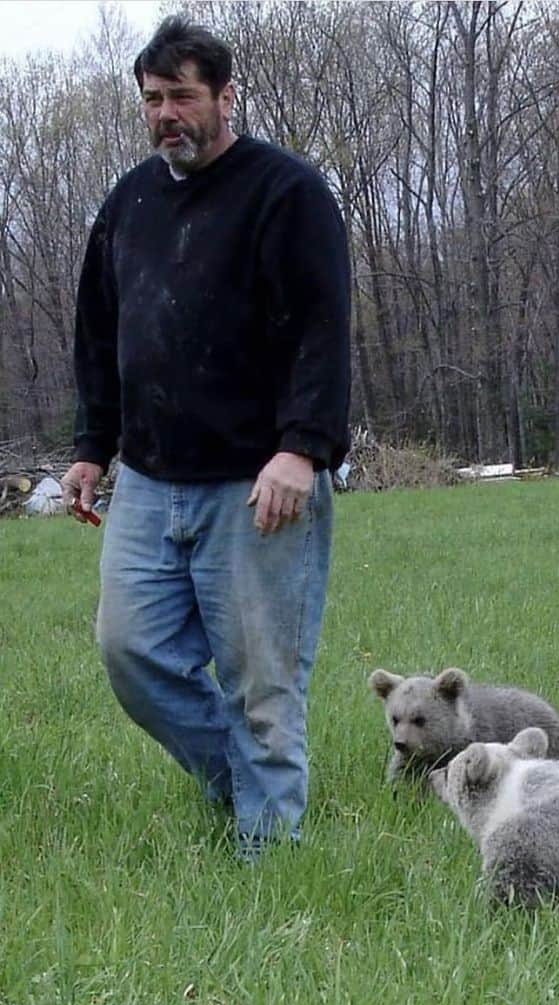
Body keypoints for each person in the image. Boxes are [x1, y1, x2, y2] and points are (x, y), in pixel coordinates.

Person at [60, 16, 351, 861]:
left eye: (183, 95)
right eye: (153, 100)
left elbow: (321, 331)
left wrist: (302, 447)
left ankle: (273, 861)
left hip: (257, 480)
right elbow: (99, 332)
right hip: (150, 479)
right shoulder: (130, 201)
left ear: (226, 97)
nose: (166, 115)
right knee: (131, 653)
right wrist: (91, 445)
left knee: (262, 678)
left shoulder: (286, 193)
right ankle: (250, 789)